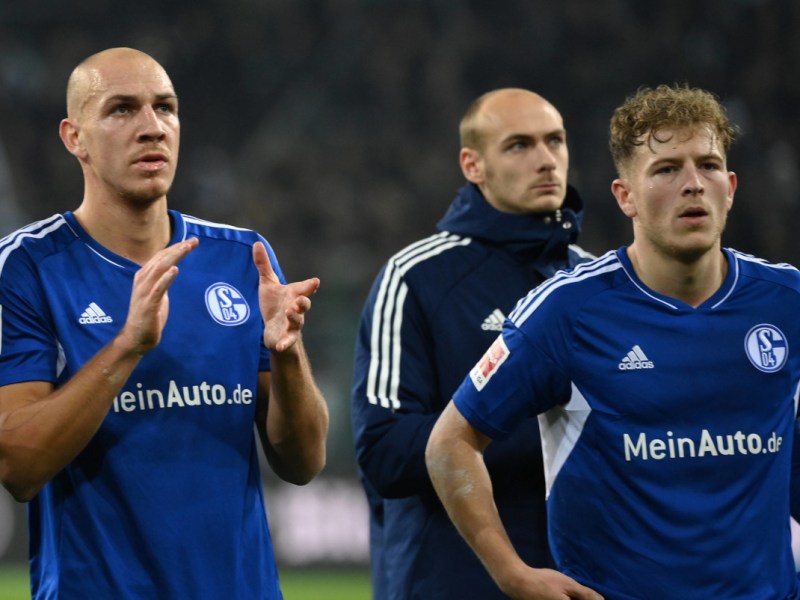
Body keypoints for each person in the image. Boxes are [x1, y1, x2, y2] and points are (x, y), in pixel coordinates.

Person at [426, 82, 800, 600]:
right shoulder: (567, 311)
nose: (693, 184)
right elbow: (450, 442)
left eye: (709, 165)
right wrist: (512, 572)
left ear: (731, 187)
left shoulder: (786, 301)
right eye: (666, 170)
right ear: (626, 197)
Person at [0, 47, 329, 599]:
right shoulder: (27, 267)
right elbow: (19, 467)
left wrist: (287, 354)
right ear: (74, 137)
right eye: (122, 109)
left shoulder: (242, 259)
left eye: (165, 107)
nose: (152, 127)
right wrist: (128, 346)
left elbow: (303, 463)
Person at [351, 87, 593, 599]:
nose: (546, 159)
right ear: (472, 165)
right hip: (451, 581)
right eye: (519, 145)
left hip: (579, 578)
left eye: (555, 140)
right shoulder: (416, 277)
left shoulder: (593, 280)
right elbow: (384, 451)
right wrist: (536, 429)